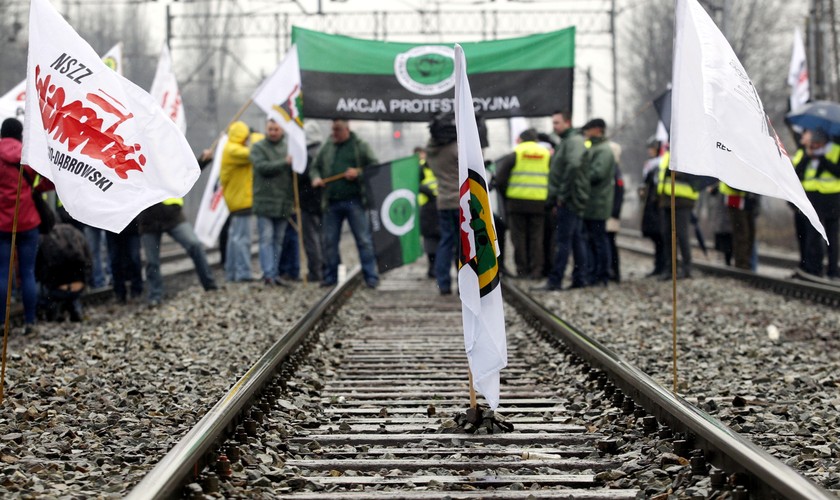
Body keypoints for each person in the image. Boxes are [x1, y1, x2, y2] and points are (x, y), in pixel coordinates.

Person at [310, 119, 380, 289]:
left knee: (363, 240)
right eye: (333, 130)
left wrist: (359, 172)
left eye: (338, 130)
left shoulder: (360, 146)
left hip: (354, 200)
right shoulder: (327, 147)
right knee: (329, 242)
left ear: (347, 129)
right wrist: (316, 178)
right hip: (331, 202)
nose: (334, 133)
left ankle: (371, 277)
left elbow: (375, 167)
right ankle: (330, 277)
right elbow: (315, 167)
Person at [0, 118, 52, 333]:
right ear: (20, 133)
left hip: (1, 223)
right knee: (28, 272)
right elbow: (50, 179)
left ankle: (3, 323)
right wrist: (36, 190)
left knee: (3, 272)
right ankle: (30, 321)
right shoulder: (28, 154)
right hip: (28, 221)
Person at [535, 110, 590, 291]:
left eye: (557, 123)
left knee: (564, 241)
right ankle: (579, 278)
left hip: (569, 199)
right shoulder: (569, 141)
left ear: (568, 122)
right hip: (571, 197)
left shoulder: (573, 141)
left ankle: (556, 280)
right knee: (575, 239)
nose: (554, 126)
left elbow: (573, 165)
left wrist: (562, 195)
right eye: (553, 123)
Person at [138, 197, 218, 307]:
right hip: (147, 219)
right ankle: (155, 296)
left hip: (172, 214)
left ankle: (210, 284)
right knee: (152, 262)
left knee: (195, 245)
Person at [494, 128, 551, 279]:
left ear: (521, 139)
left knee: (518, 238)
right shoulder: (545, 154)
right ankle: (536, 270)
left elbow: (499, 179)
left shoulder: (516, 153)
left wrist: (507, 194)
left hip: (517, 203)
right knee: (536, 238)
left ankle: (522, 270)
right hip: (539, 202)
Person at [249, 119, 294, 286]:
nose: (273, 132)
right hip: (264, 201)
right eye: (270, 129)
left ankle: (274, 273)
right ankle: (268, 273)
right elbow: (262, 167)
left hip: (283, 202)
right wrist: (284, 163)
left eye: (276, 129)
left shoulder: (289, 148)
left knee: (278, 240)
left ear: (282, 130)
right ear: (266, 129)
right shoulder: (258, 147)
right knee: (266, 239)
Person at [426, 112, 460, 294]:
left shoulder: (431, 149)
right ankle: (464, 285)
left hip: (443, 201)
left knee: (446, 242)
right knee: (464, 245)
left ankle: (444, 283)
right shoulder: (455, 148)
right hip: (460, 201)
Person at [799, 128, 840, 278]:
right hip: (813, 197)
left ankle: (833, 270)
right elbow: (798, 172)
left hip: (831, 198)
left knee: (832, 236)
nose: (816, 142)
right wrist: (808, 157)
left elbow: (837, 171)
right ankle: (814, 268)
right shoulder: (807, 151)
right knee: (813, 235)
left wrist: (822, 159)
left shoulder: (836, 150)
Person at [581, 118, 616, 287]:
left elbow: (597, 174)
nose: (586, 133)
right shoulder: (596, 148)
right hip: (592, 202)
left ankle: (601, 274)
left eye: (588, 129)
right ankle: (594, 273)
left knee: (598, 240)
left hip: (597, 202)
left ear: (597, 130)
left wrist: (580, 174)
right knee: (593, 240)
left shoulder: (603, 150)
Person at [657, 145, 700, 280]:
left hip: (682, 201)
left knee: (682, 235)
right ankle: (670, 269)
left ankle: (687, 268)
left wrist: (678, 173)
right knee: (667, 236)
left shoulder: (688, 153)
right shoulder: (667, 154)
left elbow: (694, 176)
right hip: (666, 200)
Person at [220, 121, 255, 282]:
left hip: (237, 201)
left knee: (235, 239)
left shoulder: (230, 148)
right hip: (241, 201)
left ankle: (232, 272)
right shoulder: (233, 149)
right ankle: (243, 273)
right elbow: (251, 154)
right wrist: (257, 138)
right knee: (242, 239)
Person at [36, 223, 91, 322]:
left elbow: (38, 269)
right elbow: (88, 260)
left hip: (56, 288)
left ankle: (55, 309)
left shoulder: (44, 238)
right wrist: (86, 280)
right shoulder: (75, 233)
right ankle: (74, 306)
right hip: (78, 286)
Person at [298, 121, 325, 283]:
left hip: (306, 202)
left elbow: (300, 177)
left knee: (310, 239)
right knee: (323, 237)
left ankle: (315, 272)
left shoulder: (302, 156)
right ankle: (326, 268)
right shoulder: (323, 152)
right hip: (322, 201)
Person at [719, 182, 760, 270]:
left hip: (748, 201)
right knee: (742, 234)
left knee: (749, 234)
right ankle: (741, 265)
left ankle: (746, 263)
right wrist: (747, 188)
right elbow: (731, 181)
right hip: (736, 200)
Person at [640, 138, 665, 277]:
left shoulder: (659, 164)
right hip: (651, 204)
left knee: (660, 237)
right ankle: (658, 265)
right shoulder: (650, 165)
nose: (649, 151)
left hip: (657, 206)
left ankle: (662, 265)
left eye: (652, 148)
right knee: (657, 237)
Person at [106, 217, 143, 304]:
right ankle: (119, 293)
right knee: (115, 261)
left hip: (131, 227)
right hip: (112, 228)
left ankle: (136, 291)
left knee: (134, 259)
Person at [417, 146, 440, 279]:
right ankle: (433, 268)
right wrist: (429, 193)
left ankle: (438, 268)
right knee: (431, 237)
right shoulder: (421, 168)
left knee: (442, 238)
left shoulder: (439, 165)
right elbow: (414, 183)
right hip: (428, 206)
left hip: (441, 204)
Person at [607, 142, 624, 282]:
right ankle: (613, 271)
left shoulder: (614, 170)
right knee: (609, 243)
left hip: (610, 213)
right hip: (610, 212)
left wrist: (614, 212)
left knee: (609, 243)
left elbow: (619, 193)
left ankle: (614, 272)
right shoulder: (615, 169)